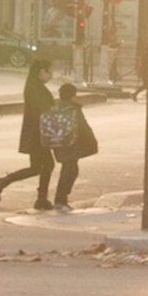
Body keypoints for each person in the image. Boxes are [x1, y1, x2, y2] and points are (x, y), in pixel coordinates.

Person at [0, 53, 58, 207]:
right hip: (37, 133)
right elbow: (42, 109)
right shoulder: (35, 88)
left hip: (36, 132)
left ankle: (4, 183)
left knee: (39, 167)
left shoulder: (34, 85)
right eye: (49, 71)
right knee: (45, 165)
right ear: (41, 71)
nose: (51, 75)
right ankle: (40, 198)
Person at [46, 80, 98, 210]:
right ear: (72, 95)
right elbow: (83, 127)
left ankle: (61, 198)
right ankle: (61, 199)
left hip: (58, 143)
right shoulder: (73, 109)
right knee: (70, 171)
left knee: (68, 169)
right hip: (71, 144)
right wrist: (92, 141)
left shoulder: (55, 107)